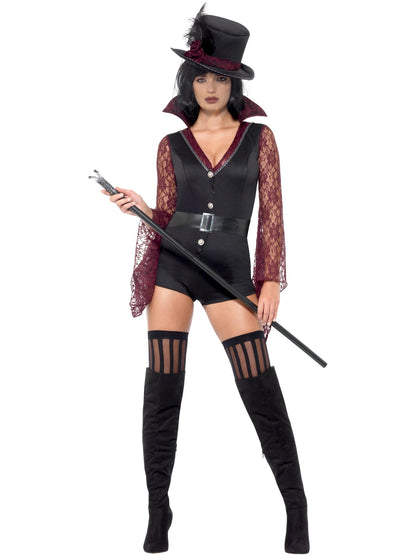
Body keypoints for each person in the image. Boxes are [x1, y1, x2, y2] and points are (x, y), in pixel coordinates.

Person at [101, 6, 310, 554]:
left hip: (229, 272)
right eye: (200, 77)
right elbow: (170, 215)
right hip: (175, 269)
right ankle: (158, 509)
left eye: (220, 77)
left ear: (235, 83)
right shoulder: (170, 145)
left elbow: (272, 215)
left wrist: (270, 280)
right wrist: (144, 208)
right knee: (162, 387)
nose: (210, 87)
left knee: (259, 386)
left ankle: (296, 506)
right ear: (188, 82)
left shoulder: (260, 138)